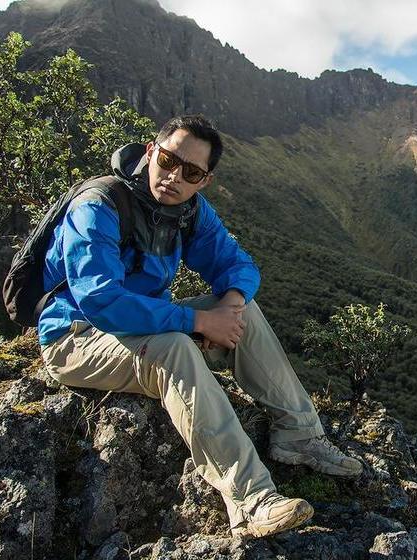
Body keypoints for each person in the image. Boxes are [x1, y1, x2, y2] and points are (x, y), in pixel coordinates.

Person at [36, 114, 362, 539]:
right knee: (176, 347)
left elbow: (236, 265)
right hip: (75, 338)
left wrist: (229, 304)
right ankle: (250, 501)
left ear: (204, 181)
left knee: (243, 311)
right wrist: (198, 320)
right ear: (151, 151)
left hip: (140, 329)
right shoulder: (99, 206)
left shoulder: (189, 211)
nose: (174, 177)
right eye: (168, 160)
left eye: (190, 172)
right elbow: (101, 300)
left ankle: (297, 435)